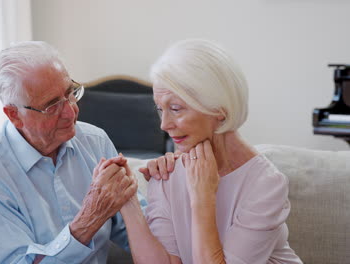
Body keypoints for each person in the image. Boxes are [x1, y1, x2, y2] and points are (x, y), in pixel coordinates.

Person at [0, 41, 162, 263]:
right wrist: (89, 219)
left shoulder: (95, 141)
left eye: (70, 93)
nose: (71, 111)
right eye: (52, 105)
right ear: (14, 115)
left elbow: (135, 229)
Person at [120, 39, 303, 263]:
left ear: (218, 109)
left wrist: (203, 197)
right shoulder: (167, 172)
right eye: (160, 109)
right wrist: (127, 201)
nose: (164, 125)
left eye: (176, 109)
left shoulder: (266, 184)